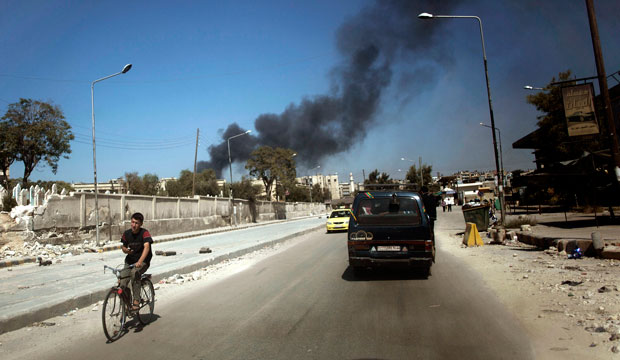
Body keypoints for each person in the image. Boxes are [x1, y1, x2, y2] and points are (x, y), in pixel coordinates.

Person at [120, 212, 153, 311]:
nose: (134, 225)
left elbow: (147, 247)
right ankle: (127, 306)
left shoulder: (144, 233)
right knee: (122, 281)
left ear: (141, 224)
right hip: (130, 261)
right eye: (133, 222)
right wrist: (125, 250)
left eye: (137, 223)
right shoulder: (127, 233)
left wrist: (140, 262)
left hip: (143, 261)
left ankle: (136, 301)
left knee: (135, 273)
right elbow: (123, 246)